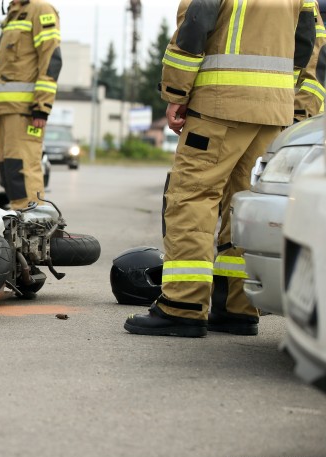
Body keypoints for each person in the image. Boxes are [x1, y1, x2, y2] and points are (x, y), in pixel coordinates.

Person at [125, 0, 316, 338]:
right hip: (271, 111)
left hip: (219, 105)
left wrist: (175, 92)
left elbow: (195, 25)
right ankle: (238, 308)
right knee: (242, 206)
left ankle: (183, 306)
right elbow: (307, 41)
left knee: (190, 198)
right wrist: (283, 97)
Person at [0, 0, 62, 209]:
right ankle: (22, 223)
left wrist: (41, 107)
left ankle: (35, 225)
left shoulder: (41, 10)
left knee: (24, 168)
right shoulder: (13, 14)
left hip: (25, 110)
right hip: (5, 109)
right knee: (10, 171)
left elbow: (51, 59)